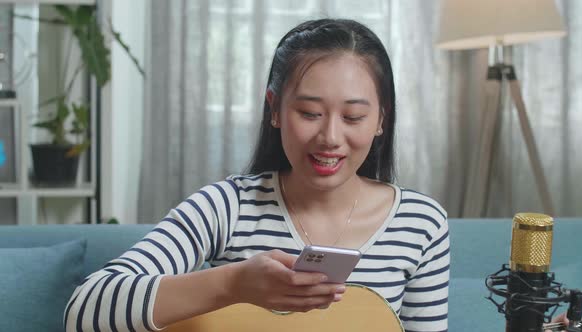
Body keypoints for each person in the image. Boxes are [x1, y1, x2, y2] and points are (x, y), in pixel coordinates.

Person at [65, 18, 450, 332]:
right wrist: (233, 285)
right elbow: (85, 309)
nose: (330, 137)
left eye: (353, 117)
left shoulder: (421, 223)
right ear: (275, 109)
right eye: (310, 113)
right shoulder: (226, 207)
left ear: (381, 119)